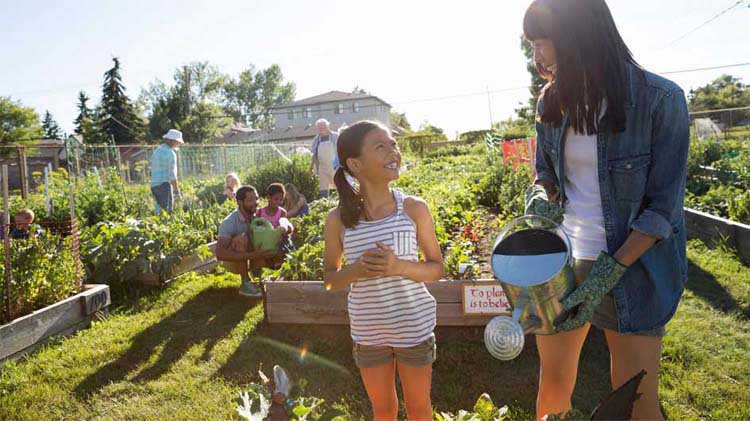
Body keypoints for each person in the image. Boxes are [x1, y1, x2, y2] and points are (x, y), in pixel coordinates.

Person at [522, 1, 689, 419]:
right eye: (533, 44)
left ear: (578, 36)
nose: (537, 56)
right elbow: (546, 172)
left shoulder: (660, 100)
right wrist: (543, 195)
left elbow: (661, 211)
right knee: (553, 392)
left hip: (634, 267)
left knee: (636, 402)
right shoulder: (551, 104)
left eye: (543, 43)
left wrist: (606, 274)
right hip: (563, 265)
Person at [323, 121, 445, 420]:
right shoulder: (338, 219)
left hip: (414, 328)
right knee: (383, 409)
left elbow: (437, 268)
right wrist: (357, 270)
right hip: (369, 332)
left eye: (393, 144)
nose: (394, 151)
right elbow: (330, 279)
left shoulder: (415, 209)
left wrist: (398, 267)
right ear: (355, 164)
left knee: (419, 408)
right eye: (381, 146)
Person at [216, 185, 277, 297]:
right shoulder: (229, 222)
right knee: (241, 239)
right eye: (250, 200)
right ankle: (245, 283)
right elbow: (220, 254)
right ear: (239, 202)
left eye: (257, 198)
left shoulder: (257, 216)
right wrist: (254, 255)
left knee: (262, 235)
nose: (255, 203)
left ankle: (258, 275)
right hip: (233, 261)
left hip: (251, 256)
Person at [258, 183, 294, 262]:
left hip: (278, 239)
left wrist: (285, 230)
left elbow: (284, 225)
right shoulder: (261, 212)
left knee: (285, 244)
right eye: (276, 199)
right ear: (268, 197)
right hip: (264, 239)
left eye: (281, 199)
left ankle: (280, 262)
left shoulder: (282, 212)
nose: (278, 202)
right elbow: (256, 227)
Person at [150, 129, 184, 214]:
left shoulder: (158, 150)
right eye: (177, 142)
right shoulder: (170, 153)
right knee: (167, 213)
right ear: (171, 141)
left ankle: (155, 226)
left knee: (158, 211)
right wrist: (177, 191)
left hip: (154, 185)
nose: (178, 144)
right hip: (164, 185)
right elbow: (172, 175)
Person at [309, 118, 339, 198]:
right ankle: (325, 203)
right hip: (322, 167)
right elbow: (314, 154)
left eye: (323, 126)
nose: (321, 128)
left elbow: (342, 150)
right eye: (319, 127)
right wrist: (311, 168)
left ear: (327, 126)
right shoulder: (316, 139)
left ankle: (341, 203)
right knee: (323, 187)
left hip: (335, 166)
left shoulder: (335, 136)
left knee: (339, 185)